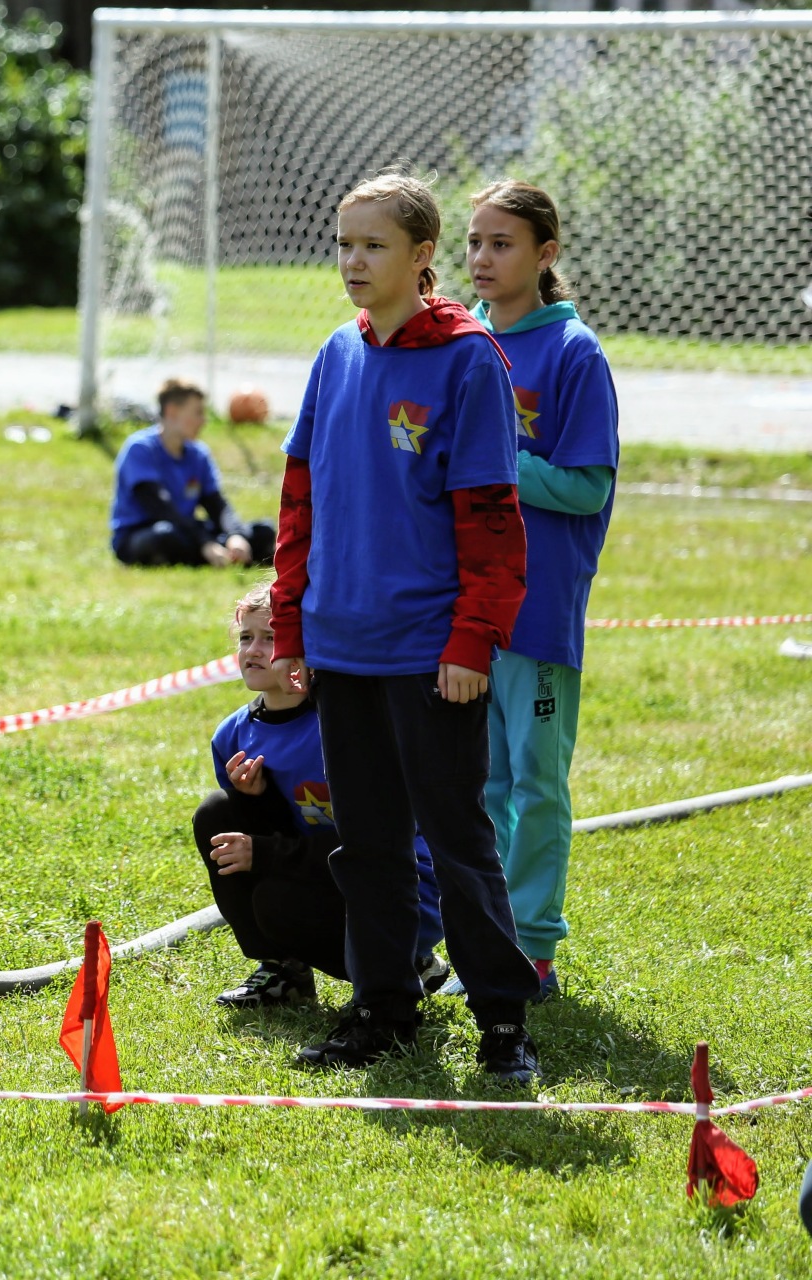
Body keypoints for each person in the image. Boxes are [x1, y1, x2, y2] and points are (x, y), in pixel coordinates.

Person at [269, 170, 541, 1081]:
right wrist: (292, 626)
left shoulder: (468, 360)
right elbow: (299, 500)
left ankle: (502, 1018)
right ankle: (383, 1006)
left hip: (431, 653)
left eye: (373, 245)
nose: (354, 262)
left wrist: (472, 641)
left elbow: (494, 522)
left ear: (422, 256)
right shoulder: (334, 354)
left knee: (457, 840)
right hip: (340, 645)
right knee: (368, 842)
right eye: (344, 244)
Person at [451, 181, 619, 1004]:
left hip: (538, 610)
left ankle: (534, 948)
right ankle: (485, 939)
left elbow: (587, 487)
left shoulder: (575, 353)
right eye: (474, 242)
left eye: (502, 243)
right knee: (475, 784)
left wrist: (498, 464)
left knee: (535, 782)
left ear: (545, 254)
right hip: (464, 610)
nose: (482, 258)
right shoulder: (462, 339)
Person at [196, 583, 447, 1007]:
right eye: (246, 637)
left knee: (277, 903)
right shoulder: (232, 735)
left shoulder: (344, 725)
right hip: (320, 872)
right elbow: (283, 829)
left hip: (402, 886)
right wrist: (257, 801)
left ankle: (402, 962)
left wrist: (266, 853)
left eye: (271, 638)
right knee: (216, 813)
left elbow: (376, 841)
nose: (253, 651)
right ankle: (283, 973)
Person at [111, 379, 275, 568]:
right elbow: (161, 508)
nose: (204, 421)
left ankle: (225, 553)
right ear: (172, 412)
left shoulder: (198, 454)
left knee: (264, 531)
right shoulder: (140, 449)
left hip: (187, 530)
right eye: (198, 413)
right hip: (146, 532)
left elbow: (216, 504)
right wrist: (204, 542)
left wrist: (236, 535)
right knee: (165, 536)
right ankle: (217, 554)